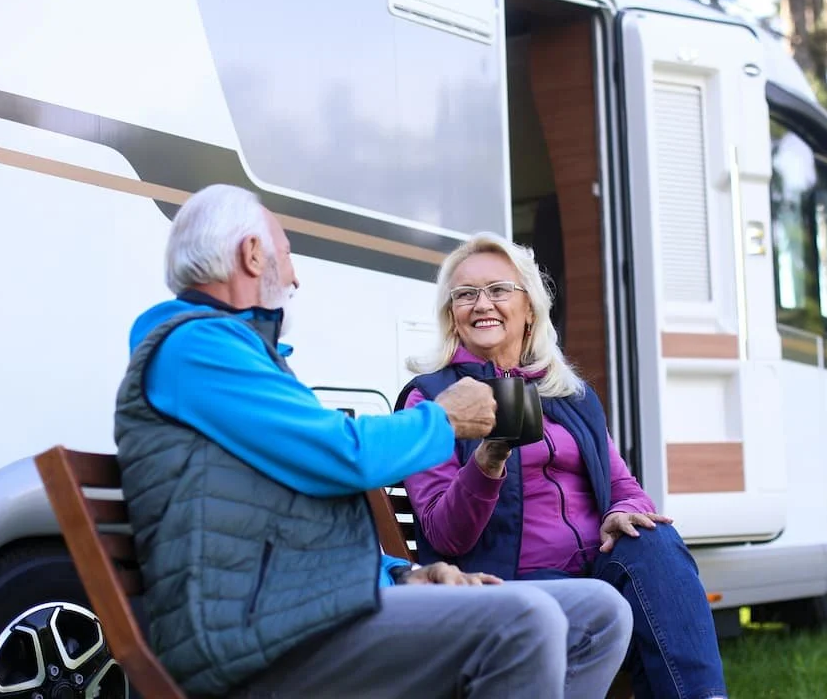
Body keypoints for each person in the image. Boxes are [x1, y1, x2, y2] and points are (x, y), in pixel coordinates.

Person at [112, 186, 633, 699]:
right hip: (256, 637)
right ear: (252, 254)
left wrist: (401, 573)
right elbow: (345, 454)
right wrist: (443, 419)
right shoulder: (197, 349)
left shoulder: (236, 355)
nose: (295, 276)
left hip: (310, 606)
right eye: (288, 255)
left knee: (601, 612)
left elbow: (300, 519)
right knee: (527, 618)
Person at [400, 232, 728, 699]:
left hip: (600, 570)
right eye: (466, 294)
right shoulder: (433, 399)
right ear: (452, 314)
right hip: (511, 582)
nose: (482, 304)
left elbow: (623, 485)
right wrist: (488, 460)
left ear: (530, 308)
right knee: (625, 607)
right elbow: (444, 534)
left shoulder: (569, 393)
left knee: (653, 540)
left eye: (498, 290)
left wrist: (623, 511)